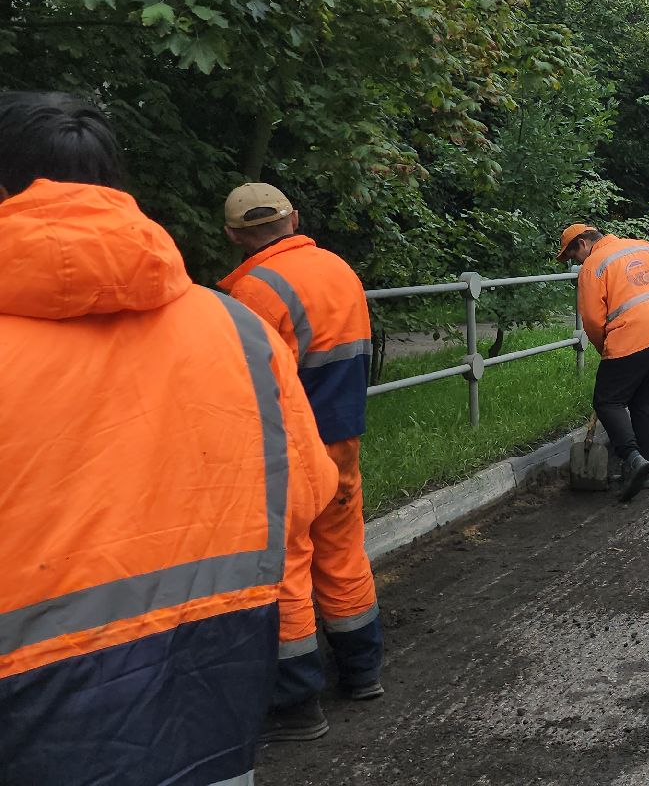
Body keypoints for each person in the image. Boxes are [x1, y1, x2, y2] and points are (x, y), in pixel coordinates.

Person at [0, 92, 335, 785]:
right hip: (216, 677)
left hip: (34, 702)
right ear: (121, 189)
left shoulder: (253, 302)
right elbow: (306, 496)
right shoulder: (239, 331)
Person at [217, 183, 385, 740]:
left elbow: (248, 385)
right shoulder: (340, 270)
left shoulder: (250, 291)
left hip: (287, 450)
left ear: (234, 235)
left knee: (287, 565)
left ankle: (297, 705)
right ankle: (362, 672)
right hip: (341, 444)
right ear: (294, 217)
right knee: (342, 551)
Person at [559, 223, 649, 502]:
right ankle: (647, 471)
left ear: (583, 243)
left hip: (630, 336)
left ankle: (632, 459)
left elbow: (592, 319)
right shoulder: (641, 246)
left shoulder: (593, 266)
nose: (575, 262)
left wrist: (604, 346)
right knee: (644, 403)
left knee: (607, 401)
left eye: (572, 255)